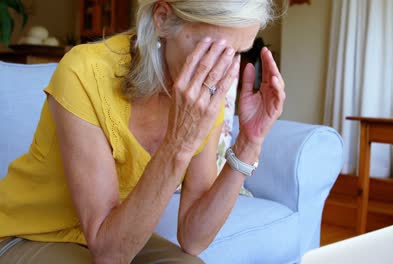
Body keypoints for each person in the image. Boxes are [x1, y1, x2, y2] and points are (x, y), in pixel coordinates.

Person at [0, 0, 285, 263]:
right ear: (163, 19)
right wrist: (178, 144)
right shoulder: (84, 72)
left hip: (117, 230)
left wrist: (249, 142)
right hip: (29, 232)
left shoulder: (207, 88)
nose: (222, 71)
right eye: (212, 51)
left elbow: (194, 238)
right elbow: (109, 252)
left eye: (235, 54)